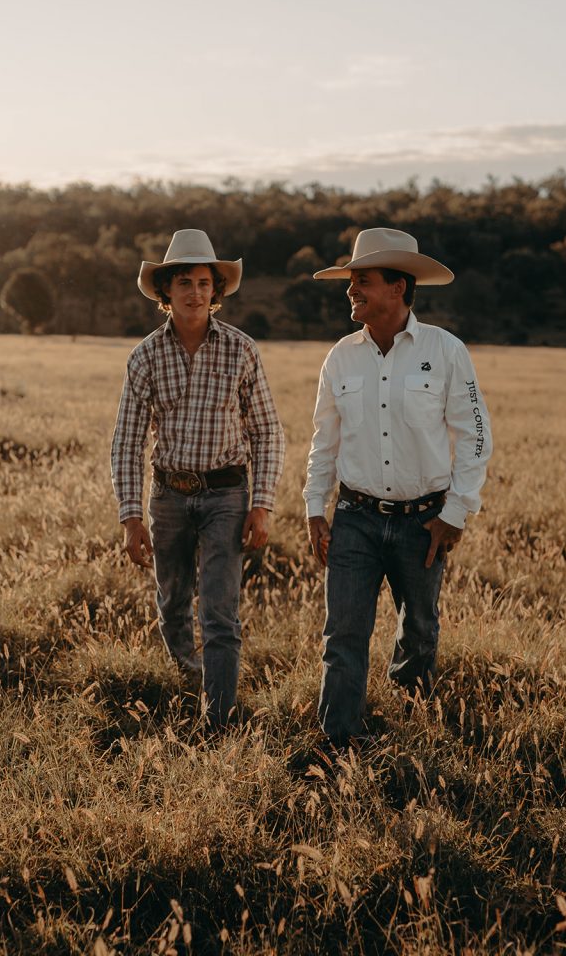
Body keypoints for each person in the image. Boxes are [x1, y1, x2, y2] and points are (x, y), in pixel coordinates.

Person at [303, 227, 492, 747]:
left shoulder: (446, 350)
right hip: (355, 518)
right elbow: (324, 439)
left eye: (362, 280)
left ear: (398, 287)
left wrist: (456, 512)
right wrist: (315, 507)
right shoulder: (340, 357)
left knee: (420, 631)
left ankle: (411, 729)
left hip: (424, 522)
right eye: (351, 281)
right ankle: (337, 743)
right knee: (343, 634)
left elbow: (474, 435)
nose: (351, 290)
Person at [111, 229, 285, 727]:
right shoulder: (146, 355)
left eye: (204, 283)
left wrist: (262, 505)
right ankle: (189, 679)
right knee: (171, 603)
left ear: (216, 290)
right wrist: (130, 518)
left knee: (219, 611)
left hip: (227, 496)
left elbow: (267, 432)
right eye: (184, 282)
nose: (195, 292)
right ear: (166, 291)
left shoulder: (241, 350)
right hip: (168, 496)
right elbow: (127, 440)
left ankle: (219, 717)